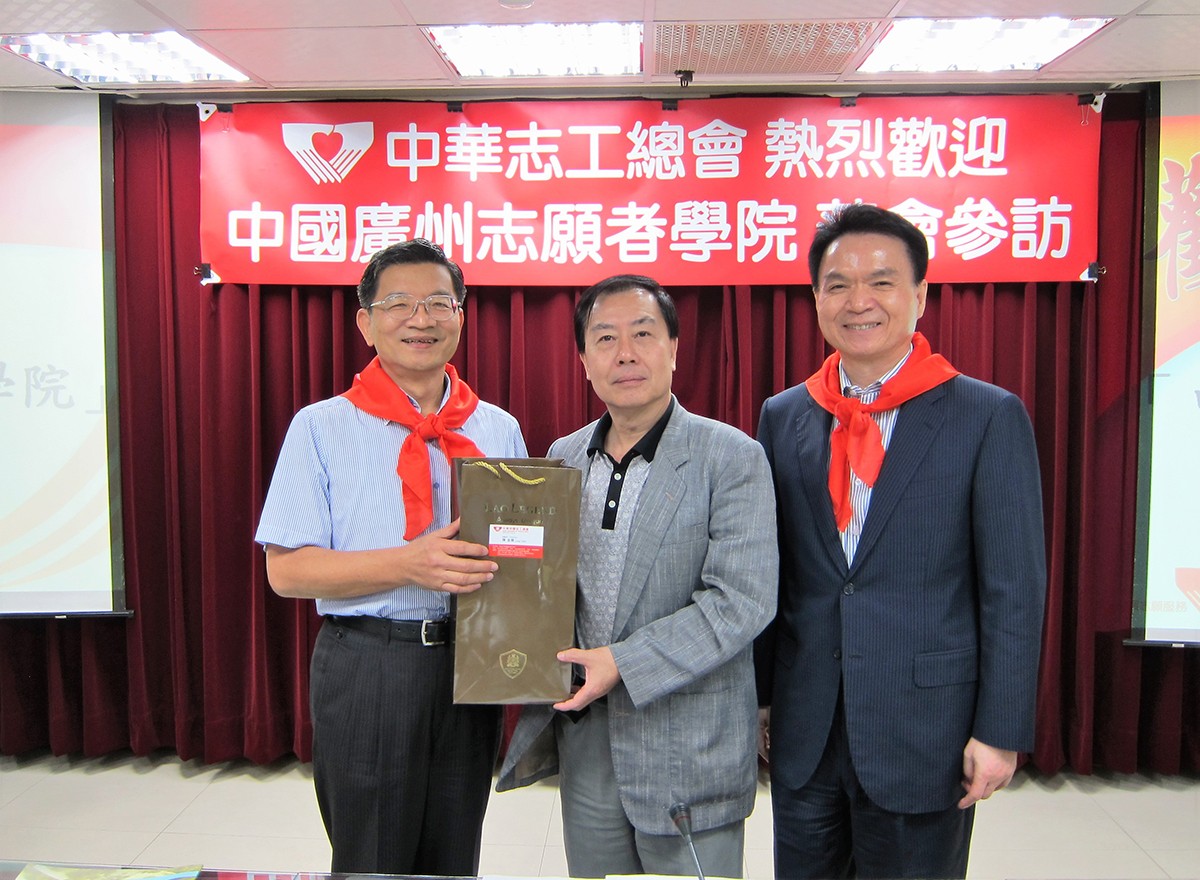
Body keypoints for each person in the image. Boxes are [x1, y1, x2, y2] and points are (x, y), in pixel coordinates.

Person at [756, 203, 1047, 879]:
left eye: (882, 282)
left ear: (920, 294)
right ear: (816, 299)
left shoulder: (986, 415)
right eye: (838, 284)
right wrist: (763, 697)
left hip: (926, 730)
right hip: (807, 726)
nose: (859, 301)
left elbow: (1014, 588)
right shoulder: (785, 415)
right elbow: (774, 572)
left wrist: (1000, 730)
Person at [255, 239, 527, 877]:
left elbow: (518, 554)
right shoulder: (320, 427)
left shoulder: (497, 428)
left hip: (471, 666)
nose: (420, 319)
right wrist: (408, 565)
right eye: (399, 303)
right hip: (369, 663)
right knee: (371, 858)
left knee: (455, 855)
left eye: (439, 303)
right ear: (365, 322)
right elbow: (286, 572)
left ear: (461, 316)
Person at [498, 274, 778, 879]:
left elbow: (742, 600)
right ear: (583, 360)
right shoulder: (562, 457)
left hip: (689, 742)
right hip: (588, 740)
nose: (625, 353)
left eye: (643, 334)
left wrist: (622, 663)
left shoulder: (731, 456)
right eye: (605, 338)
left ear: (674, 348)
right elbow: (543, 588)